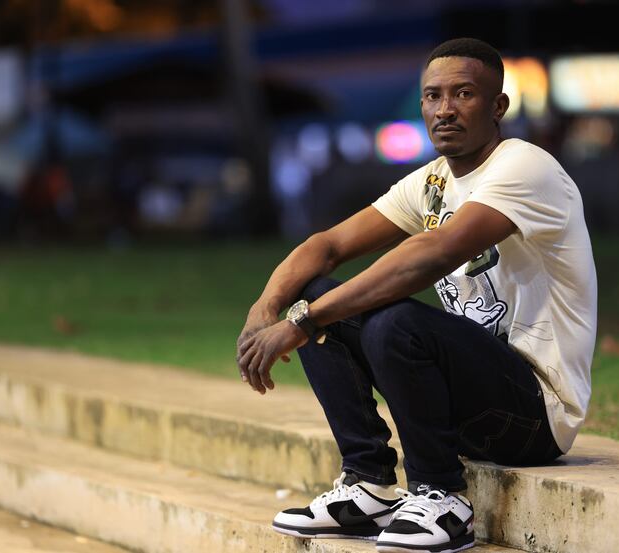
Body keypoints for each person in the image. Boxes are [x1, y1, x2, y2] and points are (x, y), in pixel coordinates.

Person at [236, 37, 597, 553]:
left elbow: (432, 254)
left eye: (463, 94)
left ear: (498, 106)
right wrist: (266, 309)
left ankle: (443, 498)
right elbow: (328, 246)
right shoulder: (433, 182)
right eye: (432, 96)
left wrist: (303, 321)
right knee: (313, 291)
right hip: (464, 398)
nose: (444, 109)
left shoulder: (525, 167)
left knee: (390, 322)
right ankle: (367, 484)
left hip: (535, 416)